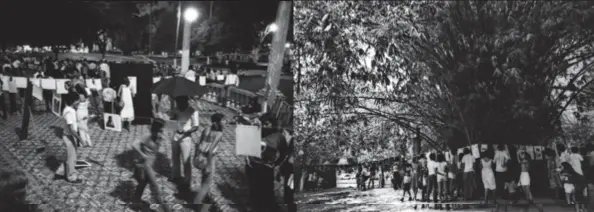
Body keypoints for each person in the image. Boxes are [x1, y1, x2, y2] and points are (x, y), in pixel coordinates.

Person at [130, 119, 171, 212]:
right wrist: (143, 155)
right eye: (160, 130)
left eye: (162, 130)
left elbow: (155, 151)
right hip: (145, 166)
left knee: (142, 183)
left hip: (150, 165)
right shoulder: (147, 136)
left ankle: (135, 203)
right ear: (154, 129)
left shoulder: (158, 137)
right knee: (156, 188)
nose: (161, 133)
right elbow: (134, 144)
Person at [193, 113, 225, 212]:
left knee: (204, 178)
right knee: (206, 184)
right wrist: (208, 165)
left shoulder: (206, 129)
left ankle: (205, 199)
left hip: (199, 156)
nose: (225, 122)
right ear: (216, 122)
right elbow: (211, 150)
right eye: (223, 120)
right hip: (209, 159)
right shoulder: (219, 134)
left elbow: (197, 143)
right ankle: (198, 204)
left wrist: (195, 156)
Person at [169, 96, 199, 195]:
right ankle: (176, 176)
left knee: (186, 160)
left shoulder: (193, 111)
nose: (179, 104)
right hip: (175, 136)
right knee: (175, 157)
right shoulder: (175, 110)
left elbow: (196, 126)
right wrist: (173, 118)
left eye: (180, 102)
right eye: (177, 102)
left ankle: (187, 180)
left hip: (186, 138)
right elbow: (170, 123)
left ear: (186, 101)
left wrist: (186, 132)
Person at [54, 94, 84, 183]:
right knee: (72, 158)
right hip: (68, 136)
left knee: (70, 156)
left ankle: (60, 173)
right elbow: (71, 130)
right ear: (72, 101)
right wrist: (81, 139)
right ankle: (71, 177)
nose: (78, 103)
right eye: (77, 102)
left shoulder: (71, 110)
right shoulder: (69, 112)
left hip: (69, 136)